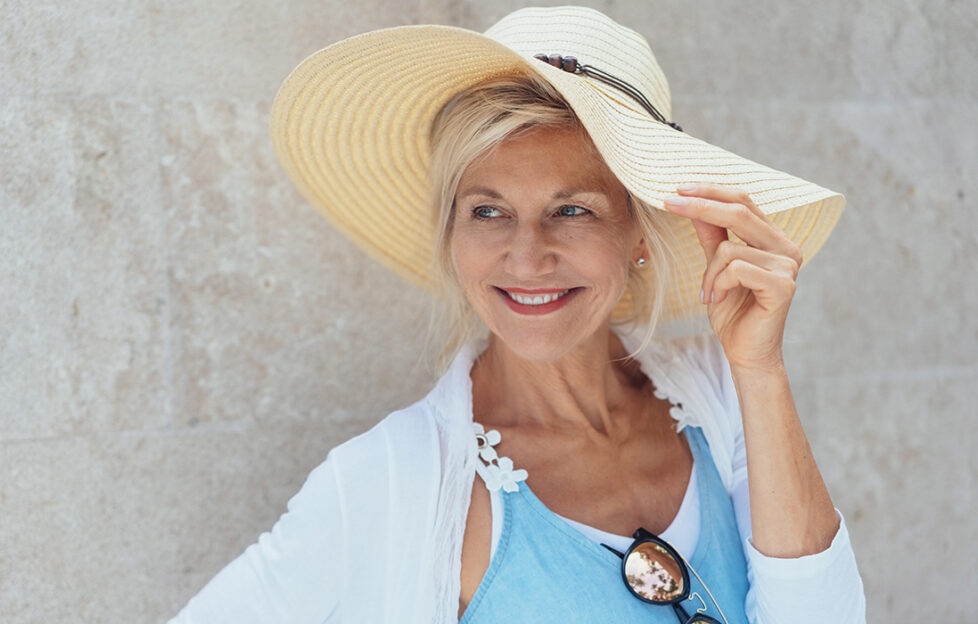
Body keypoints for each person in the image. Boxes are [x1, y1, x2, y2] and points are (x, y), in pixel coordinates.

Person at [169, 6, 865, 624]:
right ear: (452, 234)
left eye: (572, 210)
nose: (527, 259)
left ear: (639, 234)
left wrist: (761, 370)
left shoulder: (721, 396)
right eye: (488, 211)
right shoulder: (389, 478)